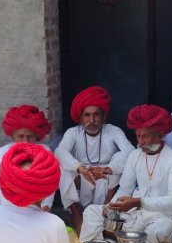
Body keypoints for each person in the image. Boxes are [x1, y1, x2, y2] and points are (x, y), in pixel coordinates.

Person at [80, 105, 172, 243]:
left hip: (162, 218)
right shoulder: (135, 155)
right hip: (135, 214)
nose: (140, 142)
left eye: (145, 136)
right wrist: (111, 207)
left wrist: (139, 202)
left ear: (160, 135)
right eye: (138, 136)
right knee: (92, 212)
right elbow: (125, 189)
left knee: (156, 231)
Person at [55, 86, 134, 234]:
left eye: (96, 115)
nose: (92, 120)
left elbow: (130, 150)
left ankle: (106, 211)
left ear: (103, 117)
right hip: (82, 175)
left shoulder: (113, 131)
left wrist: (107, 169)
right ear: (80, 118)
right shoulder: (73, 132)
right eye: (87, 115)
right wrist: (80, 168)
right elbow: (60, 151)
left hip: (104, 176)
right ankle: (77, 217)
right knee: (62, 167)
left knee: (119, 161)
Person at [0, 105, 55, 211]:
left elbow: (49, 181)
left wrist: (46, 205)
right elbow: (5, 186)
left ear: (37, 136)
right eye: (20, 136)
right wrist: (15, 213)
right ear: (12, 136)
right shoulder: (2, 153)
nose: (25, 141)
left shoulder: (45, 151)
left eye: (30, 136)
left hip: (36, 205)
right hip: (2, 203)